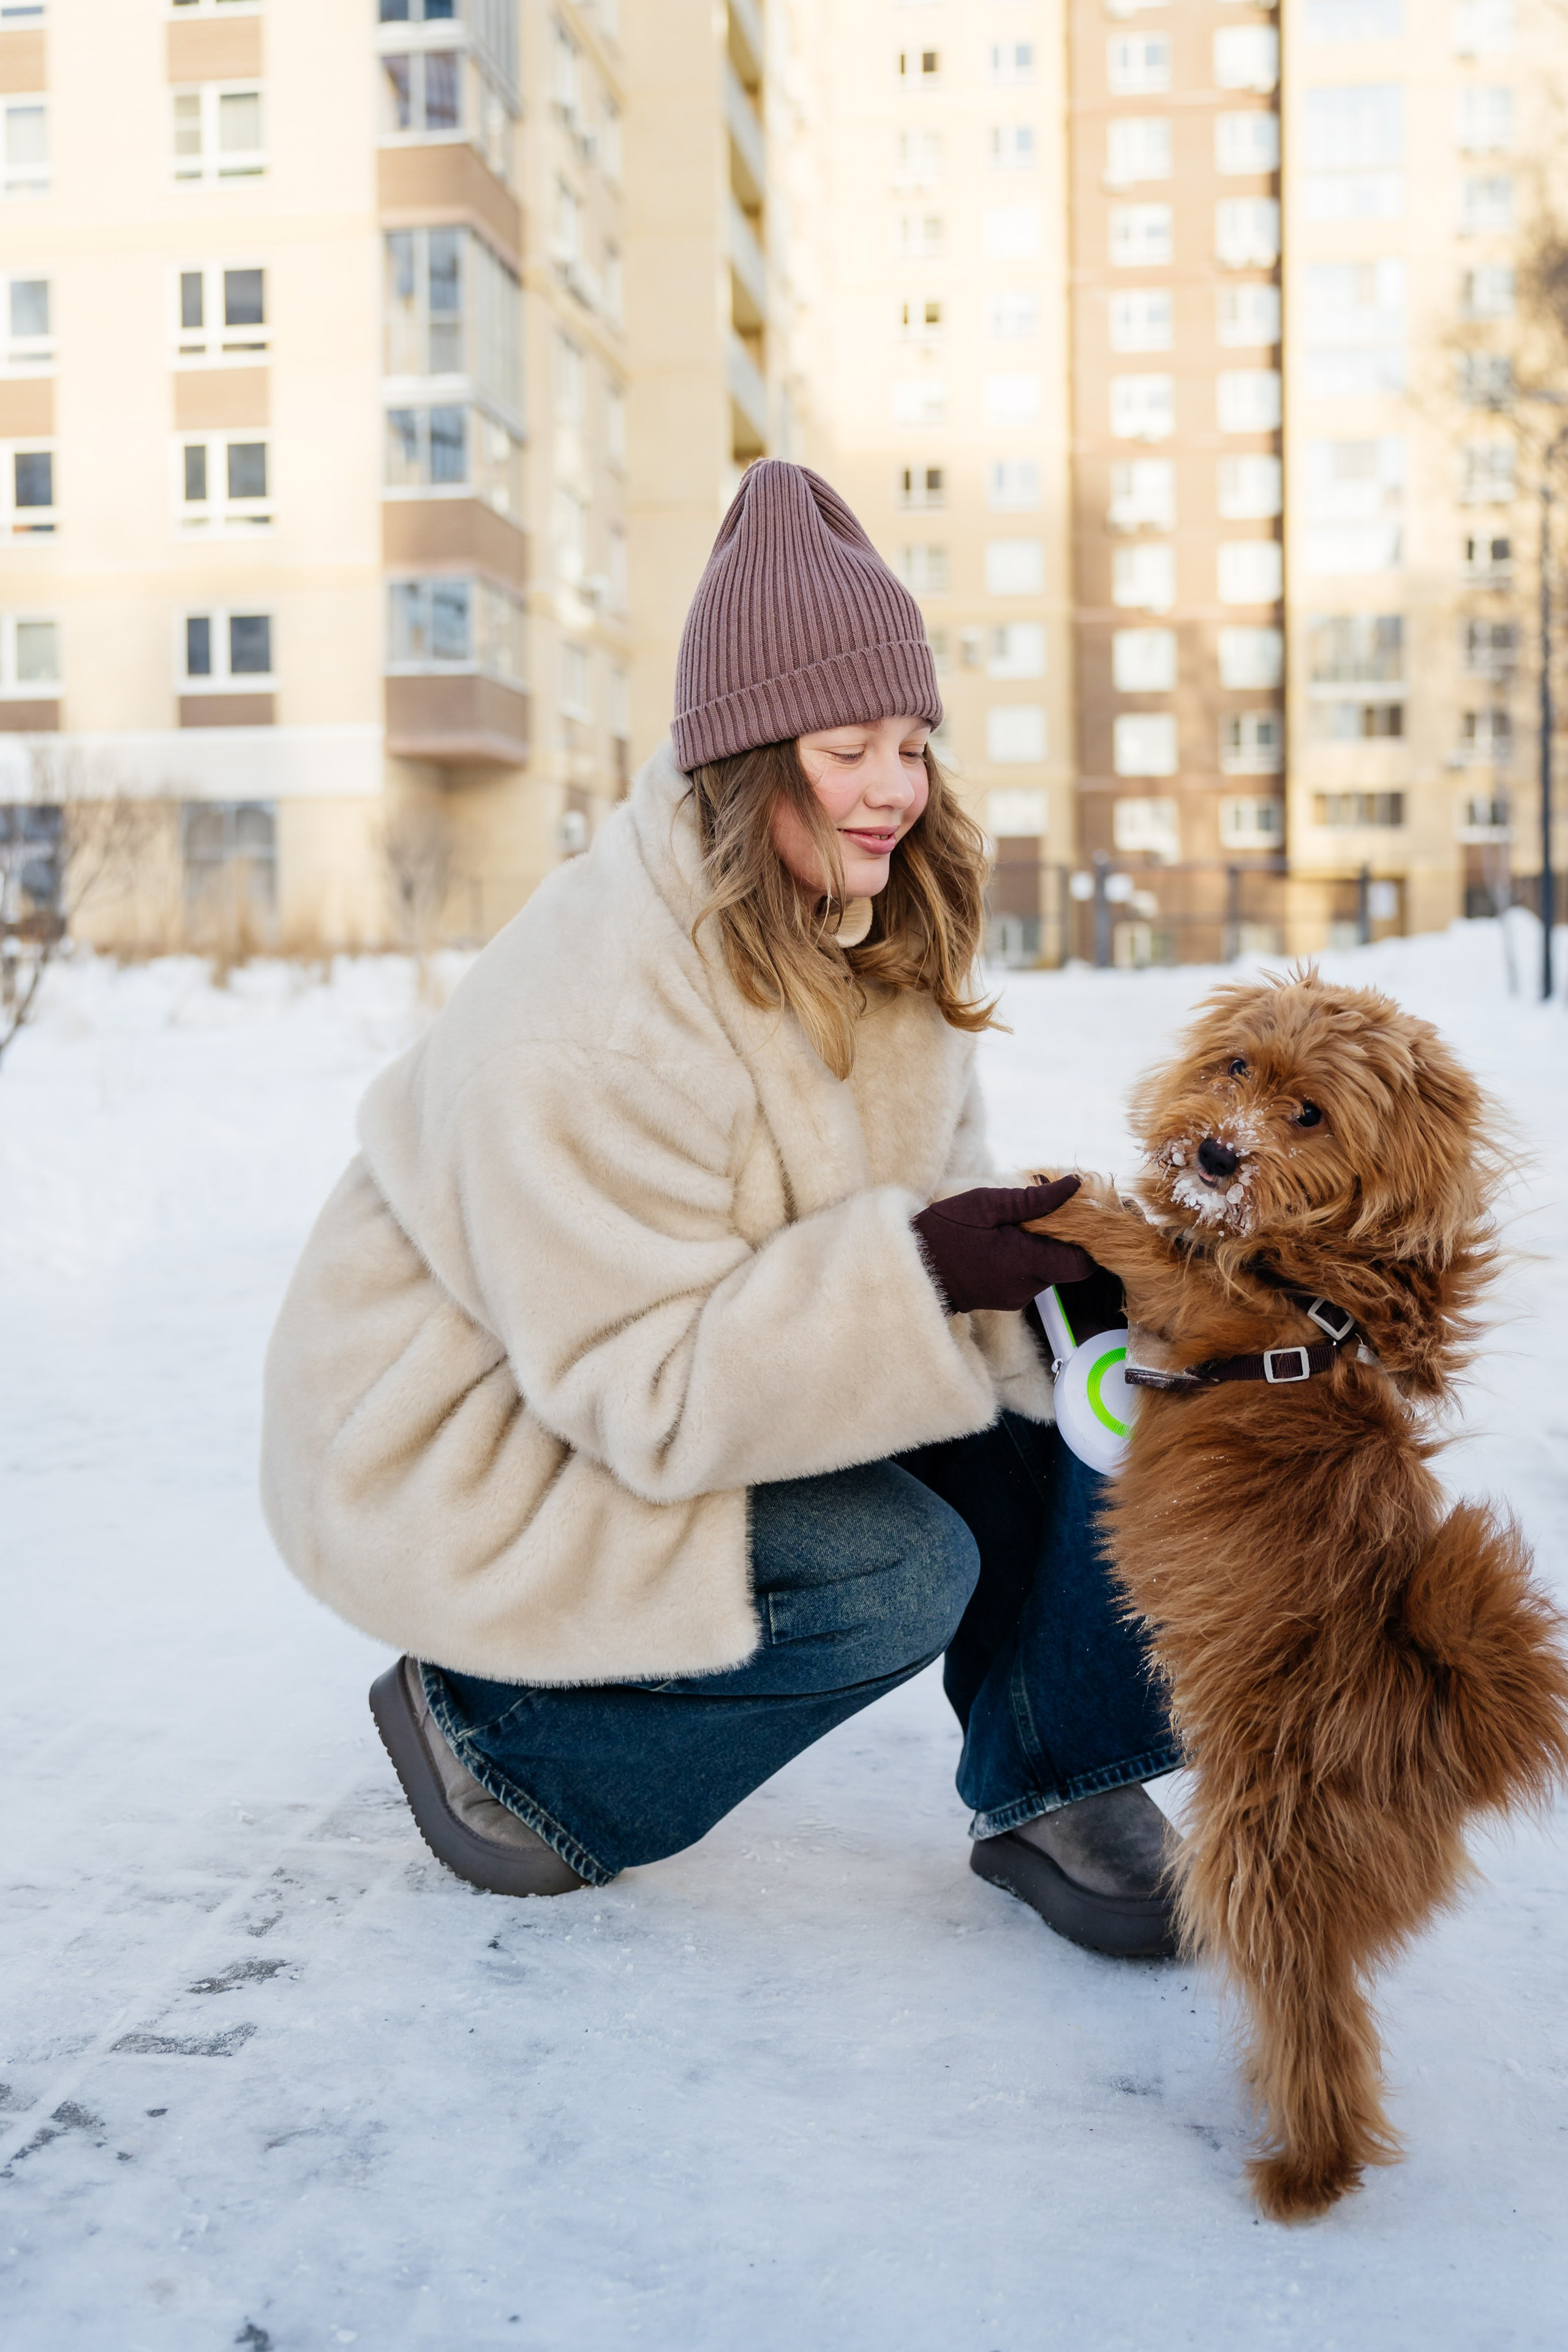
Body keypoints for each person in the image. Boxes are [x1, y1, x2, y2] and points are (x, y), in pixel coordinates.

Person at [261, 461, 1180, 1958]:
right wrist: (927, 1271)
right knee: (895, 1571)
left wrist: (1051, 1274)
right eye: (846, 749)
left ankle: (1062, 1774)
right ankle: (497, 1745)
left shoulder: (864, 922)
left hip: (677, 1356)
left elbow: (913, 1233)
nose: (893, 787)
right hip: (473, 1433)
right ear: (750, 758)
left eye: (911, 744)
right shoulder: (587, 1016)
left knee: (1083, 1390)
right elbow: (646, 1393)